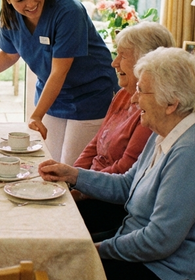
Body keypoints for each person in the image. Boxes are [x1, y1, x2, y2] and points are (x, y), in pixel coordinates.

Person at [38, 47, 195, 280]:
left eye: (142, 91)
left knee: (50, 273)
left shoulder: (192, 152)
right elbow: (127, 185)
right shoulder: (168, 130)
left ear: (171, 103)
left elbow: (159, 240)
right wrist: (73, 174)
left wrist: (95, 250)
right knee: (56, 248)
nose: (133, 99)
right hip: (145, 252)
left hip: (171, 273)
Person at [0, 0, 117, 164]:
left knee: (68, 170)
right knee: (47, 164)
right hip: (53, 97)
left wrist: (35, 116)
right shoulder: (10, 17)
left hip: (90, 95)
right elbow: (9, 54)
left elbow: (59, 71)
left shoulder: (68, 11)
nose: (31, 3)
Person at [72, 22, 175, 238]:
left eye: (122, 56)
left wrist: (82, 187)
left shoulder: (153, 112)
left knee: (49, 222)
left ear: (147, 61)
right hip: (93, 186)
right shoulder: (122, 94)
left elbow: (125, 172)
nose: (113, 63)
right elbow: (95, 142)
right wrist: (73, 176)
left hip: (112, 201)